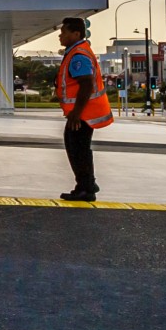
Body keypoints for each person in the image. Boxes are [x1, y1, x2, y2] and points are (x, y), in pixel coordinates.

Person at [55, 16, 113, 201]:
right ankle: (86, 184)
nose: (60, 36)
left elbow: (86, 84)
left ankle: (86, 188)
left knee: (78, 150)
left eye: (64, 32)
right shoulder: (76, 52)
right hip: (80, 113)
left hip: (83, 114)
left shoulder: (78, 55)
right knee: (77, 148)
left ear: (76, 34)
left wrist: (76, 113)